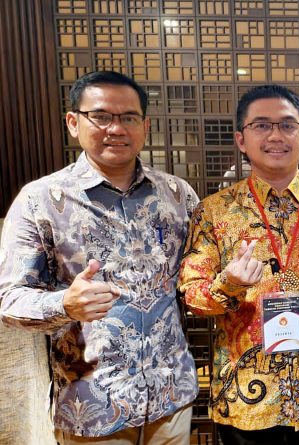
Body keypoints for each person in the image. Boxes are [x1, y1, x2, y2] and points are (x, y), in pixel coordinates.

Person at [0, 71, 198, 444]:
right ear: (74, 122)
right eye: (101, 116)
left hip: (171, 397)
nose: (116, 128)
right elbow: (9, 301)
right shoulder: (40, 201)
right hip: (92, 404)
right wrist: (64, 304)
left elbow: (196, 277)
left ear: (145, 126)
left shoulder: (177, 195)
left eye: (129, 117)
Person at [178, 85, 299, 445]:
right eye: (261, 125)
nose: (276, 135)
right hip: (246, 396)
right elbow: (192, 297)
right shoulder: (213, 211)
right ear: (241, 140)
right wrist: (229, 284)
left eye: (287, 125)